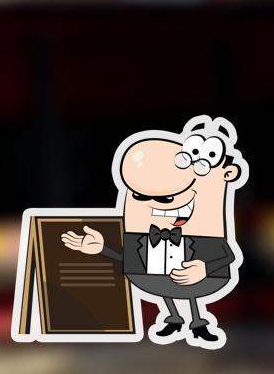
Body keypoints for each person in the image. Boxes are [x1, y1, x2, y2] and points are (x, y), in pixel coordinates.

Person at [61, 115, 248, 349]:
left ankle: (197, 323)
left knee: (186, 287)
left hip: (202, 287)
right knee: (165, 285)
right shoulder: (142, 236)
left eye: (167, 198)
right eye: (140, 196)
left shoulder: (207, 231)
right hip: (156, 285)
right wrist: (101, 249)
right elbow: (129, 260)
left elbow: (227, 256)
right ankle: (173, 318)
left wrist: (205, 268)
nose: (159, 204)